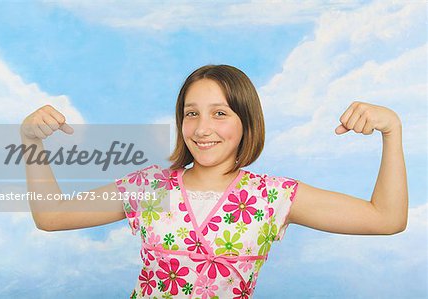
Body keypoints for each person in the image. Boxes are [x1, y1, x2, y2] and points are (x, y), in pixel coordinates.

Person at [21, 64, 408, 298]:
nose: (202, 128)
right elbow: (52, 216)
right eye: (191, 114)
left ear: (246, 122)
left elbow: (385, 219)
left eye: (219, 113)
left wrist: (392, 131)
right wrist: (30, 140)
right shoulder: (151, 188)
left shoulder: (272, 196)